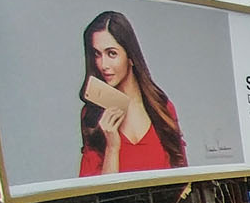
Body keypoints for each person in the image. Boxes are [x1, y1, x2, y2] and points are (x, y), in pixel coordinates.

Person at [78, 12, 187, 177]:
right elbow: (95, 195)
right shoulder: (92, 116)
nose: (103, 65)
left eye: (111, 53)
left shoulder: (162, 108)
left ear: (130, 56)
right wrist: (112, 148)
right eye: (97, 54)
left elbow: (183, 177)